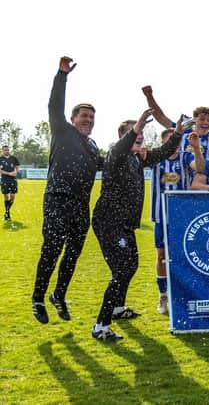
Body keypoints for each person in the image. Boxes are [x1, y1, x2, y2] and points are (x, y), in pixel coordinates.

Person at [91, 111, 183, 341]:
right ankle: (101, 325)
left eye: (142, 132)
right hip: (109, 222)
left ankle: (118, 308)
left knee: (130, 266)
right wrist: (137, 126)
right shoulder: (116, 154)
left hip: (125, 225)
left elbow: (162, 152)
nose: (140, 135)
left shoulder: (137, 158)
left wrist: (178, 133)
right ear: (123, 136)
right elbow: (122, 146)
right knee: (121, 270)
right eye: (135, 132)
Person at [32, 56, 104, 324]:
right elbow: (54, 105)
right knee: (52, 249)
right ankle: (38, 297)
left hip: (80, 206)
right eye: (84, 116)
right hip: (57, 200)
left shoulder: (93, 145)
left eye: (92, 117)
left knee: (73, 254)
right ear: (73, 118)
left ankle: (58, 295)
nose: (88, 120)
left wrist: (133, 149)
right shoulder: (62, 131)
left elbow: (106, 165)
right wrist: (62, 76)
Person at [150, 128, 200, 315]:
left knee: (183, 255)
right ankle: (163, 295)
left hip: (182, 217)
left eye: (176, 141)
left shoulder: (185, 158)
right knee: (162, 256)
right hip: (161, 216)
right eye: (170, 141)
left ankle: (183, 294)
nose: (174, 145)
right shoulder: (155, 158)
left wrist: (196, 149)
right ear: (163, 143)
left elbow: (200, 168)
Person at [0, 145, 20, 221]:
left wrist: (16, 172)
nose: (6, 151)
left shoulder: (14, 158)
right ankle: (7, 213)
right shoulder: (0, 159)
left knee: (12, 196)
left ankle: (7, 211)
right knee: (6, 196)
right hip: (4, 180)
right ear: (2, 151)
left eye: (7, 150)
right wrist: (9, 173)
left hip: (13, 180)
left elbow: (18, 166)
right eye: (5, 150)